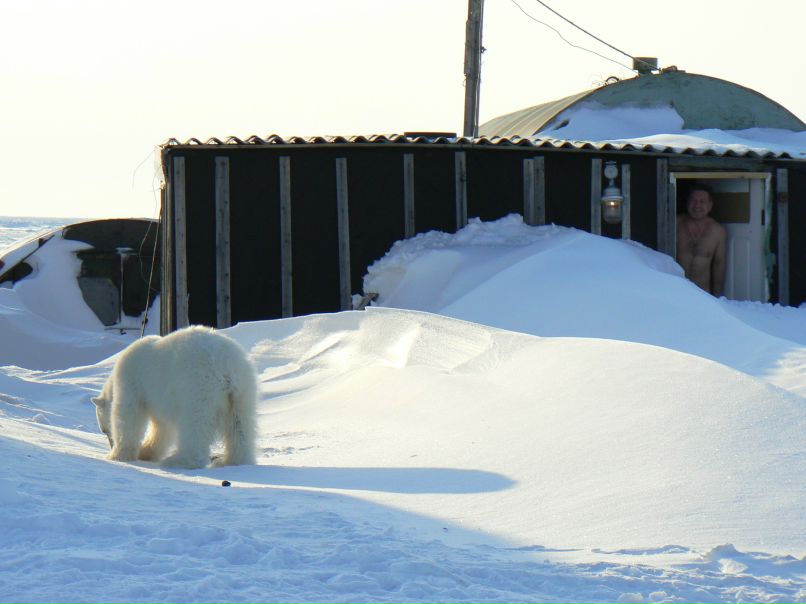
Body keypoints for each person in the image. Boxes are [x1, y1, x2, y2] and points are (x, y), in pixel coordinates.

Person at [676, 185, 727, 296]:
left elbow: (719, 264)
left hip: (702, 293)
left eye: (702, 201)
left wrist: (717, 295)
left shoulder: (718, 231)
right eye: (693, 201)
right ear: (687, 203)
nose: (697, 205)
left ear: (710, 205)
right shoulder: (675, 224)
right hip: (676, 291)